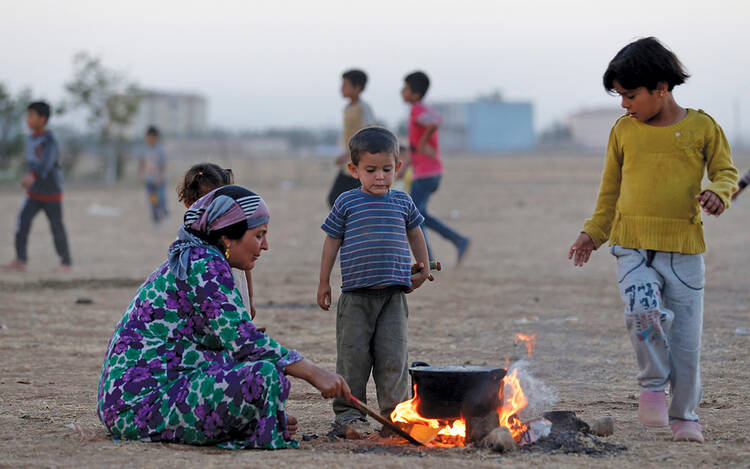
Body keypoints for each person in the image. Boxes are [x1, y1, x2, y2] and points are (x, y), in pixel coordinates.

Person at [568, 37, 738, 443]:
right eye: (620, 96)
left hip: (684, 254)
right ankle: (651, 387)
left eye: (630, 95)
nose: (624, 104)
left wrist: (719, 194)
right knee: (642, 311)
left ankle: (684, 418)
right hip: (632, 248)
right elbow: (609, 192)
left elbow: (726, 174)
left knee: (685, 345)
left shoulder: (702, 128)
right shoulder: (624, 131)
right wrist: (593, 232)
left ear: (661, 88)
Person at [97, 185, 351, 449]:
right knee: (264, 375)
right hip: (139, 406)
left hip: (153, 397)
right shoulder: (204, 264)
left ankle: (249, 425)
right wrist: (313, 372)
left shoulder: (201, 259)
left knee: (264, 374)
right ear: (228, 237)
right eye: (259, 235)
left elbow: (224, 352)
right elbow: (244, 341)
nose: (265, 246)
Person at [317, 126, 430, 434]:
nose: (380, 176)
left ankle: (395, 417)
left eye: (386, 169)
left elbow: (415, 233)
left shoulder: (403, 203)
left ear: (398, 167)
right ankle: (348, 416)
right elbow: (331, 242)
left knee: (393, 357)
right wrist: (324, 281)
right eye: (371, 170)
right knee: (353, 358)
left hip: (393, 298)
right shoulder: (346, 203)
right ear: (354, 170)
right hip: (355, 298)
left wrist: (424, 265)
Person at [400, 71, 470, 264]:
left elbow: (434, 124)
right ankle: (458, 240)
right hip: (431, 172)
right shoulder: (425, 109)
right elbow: (434, 123)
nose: (401, 92)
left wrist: (422, 142)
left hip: (425, 174)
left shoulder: (417, 110)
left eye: (405, 88)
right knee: (421, 215)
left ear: (415, 94)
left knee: (414, 217)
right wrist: (402, 169)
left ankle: (427, 259)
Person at [177, 163, 256, 319]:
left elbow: (245, 266)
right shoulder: (188, 243)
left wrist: (250, 300)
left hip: (236, 298)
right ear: (189, 204)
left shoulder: (234, 233)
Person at [3, 101, 71, 272]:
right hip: (33, 193)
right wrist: (28, 176)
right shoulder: (30, 139)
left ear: (43, 119)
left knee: (56, 227)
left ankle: (65, 262)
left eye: (31, 116)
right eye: (27, 116)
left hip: (51, 192)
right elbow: (31, 163)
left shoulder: (50, 140)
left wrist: (32, 176)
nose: (28, 119)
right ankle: (20, 260)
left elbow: (48, 163)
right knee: (22, 224)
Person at [327, 69, 376, 207]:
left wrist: (349, 154)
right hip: (348, 163)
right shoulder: (347, 108)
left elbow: (368, 134)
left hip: (361, 162)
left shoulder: (363, 108)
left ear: (357, 88)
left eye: (345, 85)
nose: (341, 88)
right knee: (335, 199)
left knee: (355, 201)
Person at [137, 126, 168, 225]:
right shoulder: (144, 149)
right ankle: (156, 219)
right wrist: (140, 175)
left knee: (161, 198)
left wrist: (160, 177)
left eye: (153, 137)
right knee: (153, 200)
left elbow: (163, 165)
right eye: (149, 137)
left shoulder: (160, 150)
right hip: (149, 180)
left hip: (159, 180)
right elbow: (141, 163)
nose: (151, 139)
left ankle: (164, 212)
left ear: (156, 138)